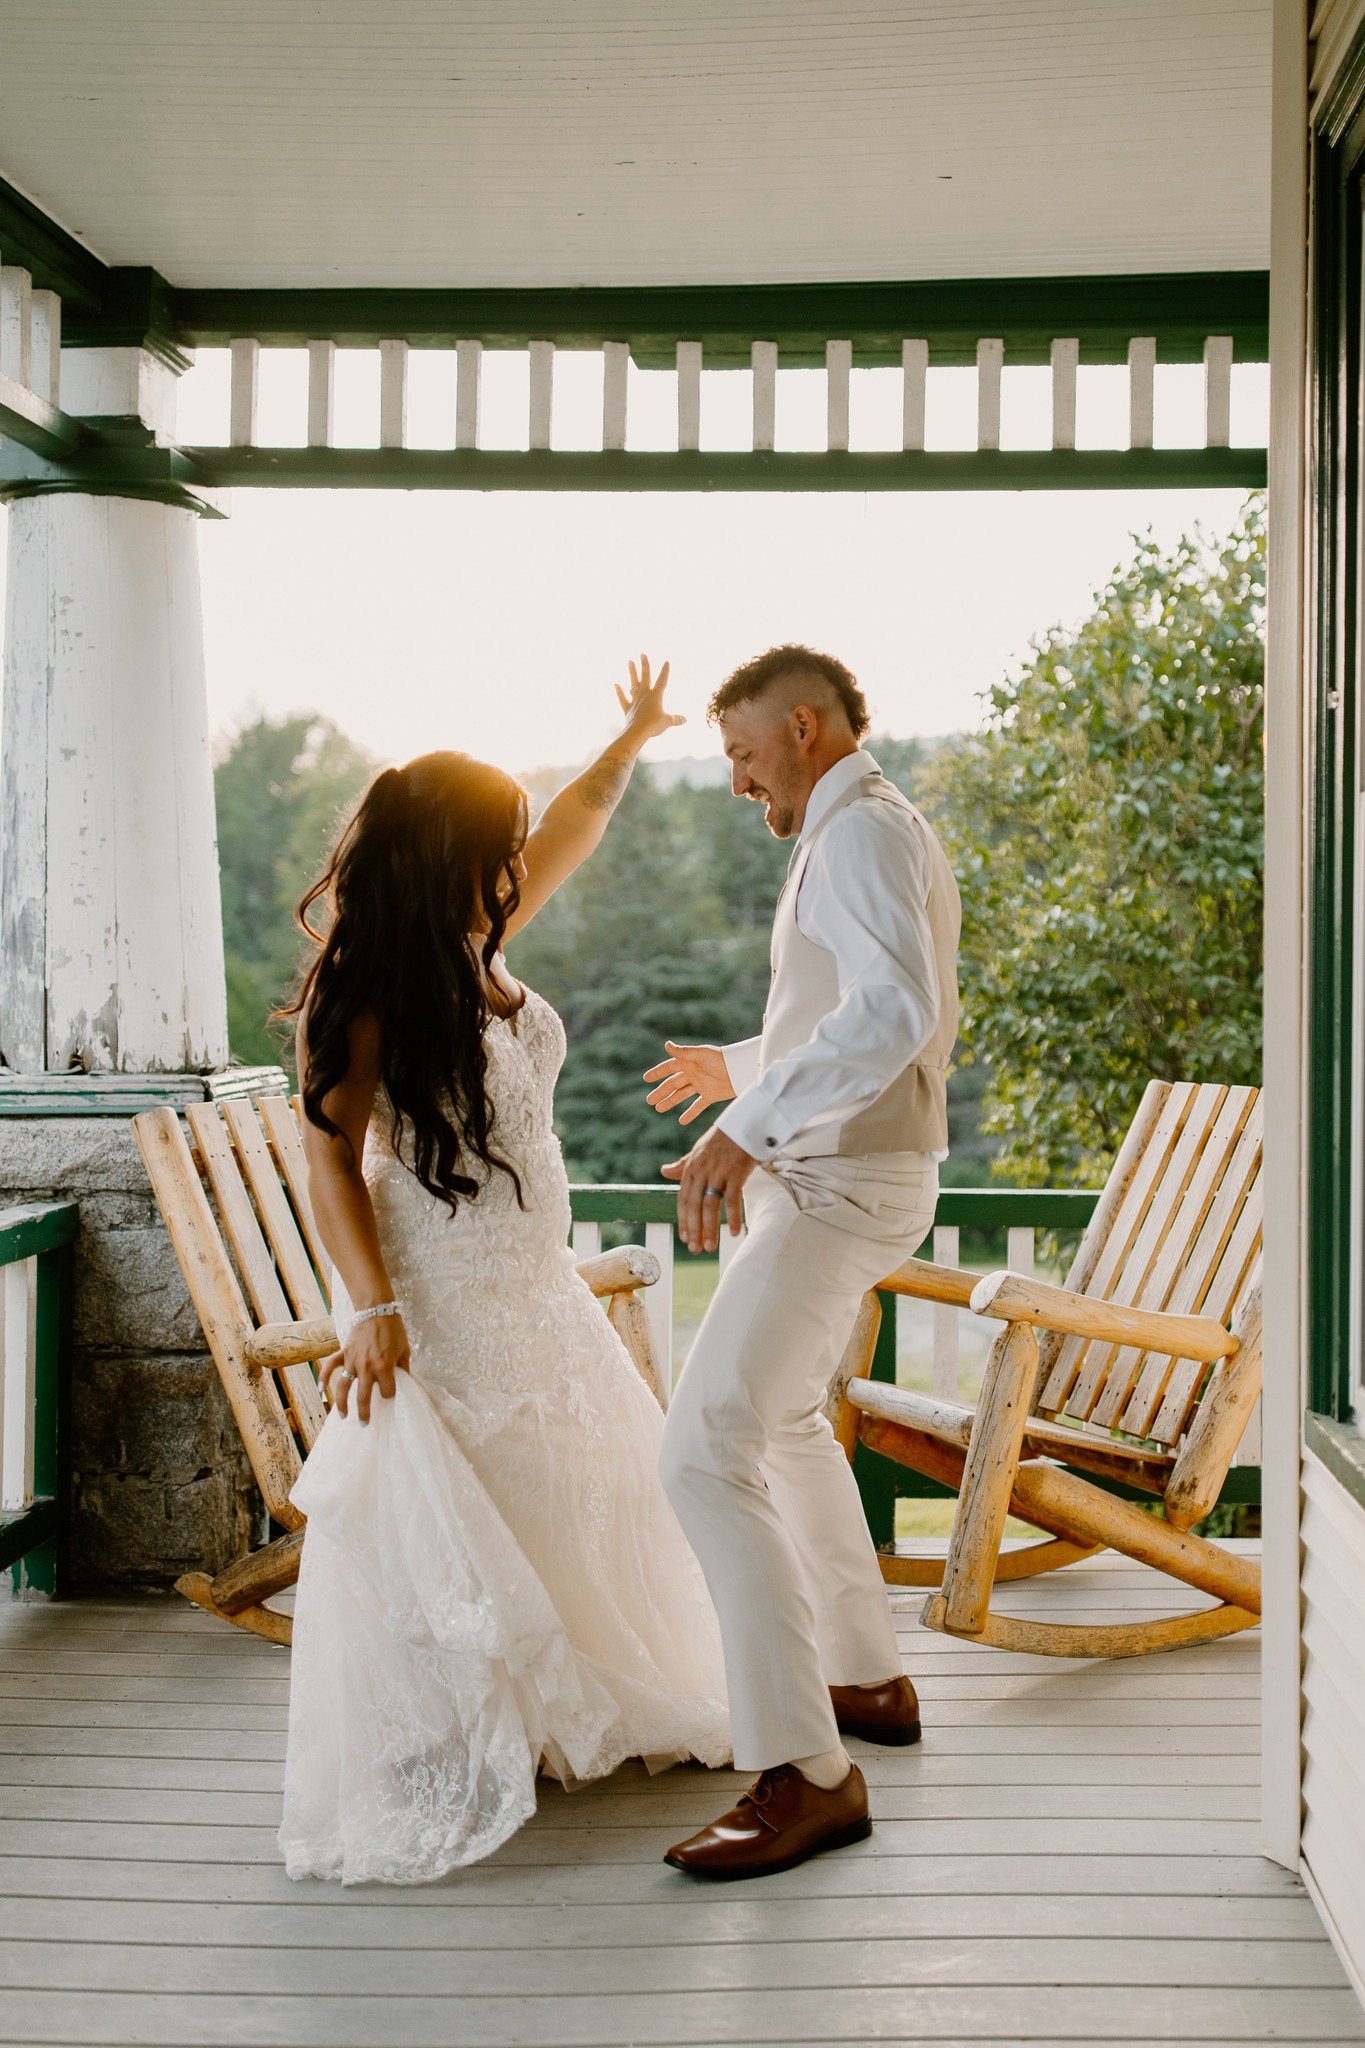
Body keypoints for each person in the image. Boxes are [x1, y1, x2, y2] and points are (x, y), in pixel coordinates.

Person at [277, 658, 729, 1886]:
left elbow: (576, 816)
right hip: (436, 1285)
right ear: (449, 854)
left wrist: (630, 738)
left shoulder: (478, 935)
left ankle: (559, 1708)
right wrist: (369, 1308)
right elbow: (329, 1164)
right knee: (471, 1489)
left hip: (534, 1280)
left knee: (575, 1475)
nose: (521, 863)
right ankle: (467, 1724)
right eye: (501, 846)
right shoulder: (370, 985)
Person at [646, 643, 960, 1881]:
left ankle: (808, 1773)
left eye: (741, 752)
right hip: (837, 1170)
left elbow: (896, 1012)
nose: (735, 781)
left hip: (840, 1183)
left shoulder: (864, 834)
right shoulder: (861, 823)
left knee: (701, 1442)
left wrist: (748, 1121)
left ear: (809, 727)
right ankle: (865, 1677)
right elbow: (844, 1007)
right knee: (778, 1428)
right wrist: (751, 1065)